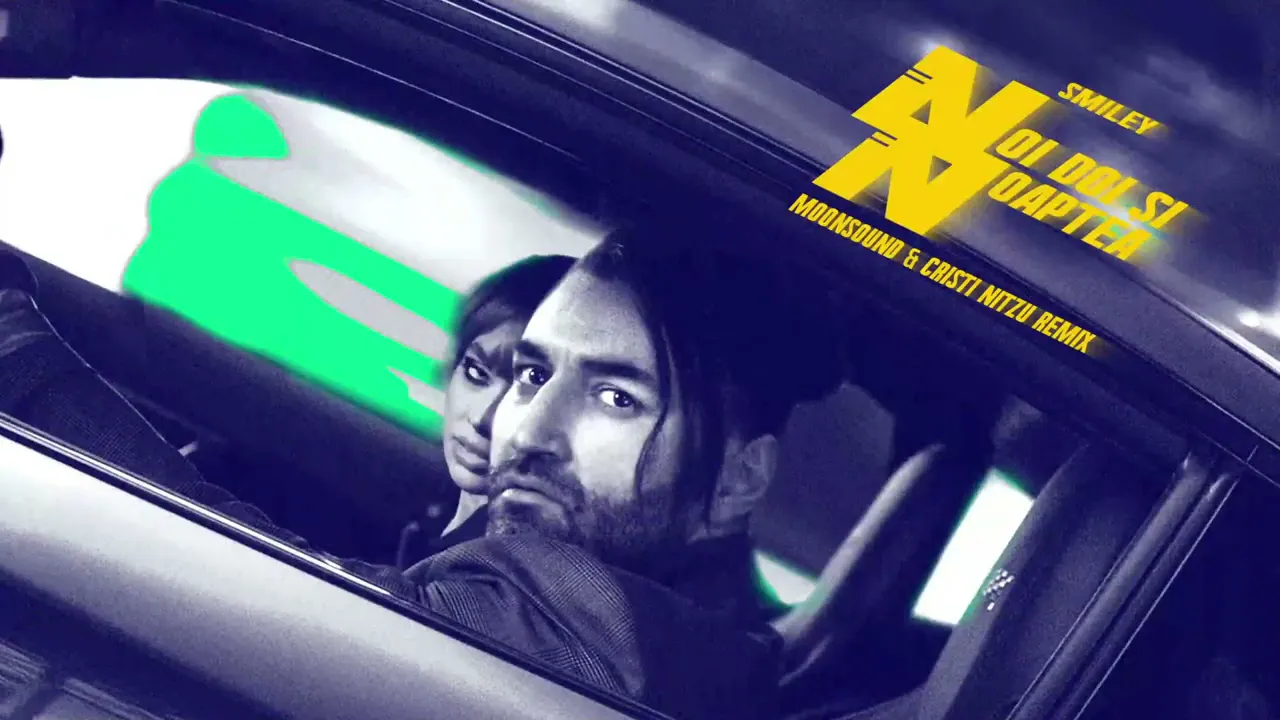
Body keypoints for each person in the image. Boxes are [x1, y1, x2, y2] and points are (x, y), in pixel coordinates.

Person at [0, 225, 845, 720]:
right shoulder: (687, 641)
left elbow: (269, 599)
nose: (526, 429)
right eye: (532, 374)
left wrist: (16, 347)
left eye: (617, 397)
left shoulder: (599, 634)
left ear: (737, 483)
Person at [397, 254, 575, 566]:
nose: (484, 419)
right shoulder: (436, 518)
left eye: (531, 386)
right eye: (476, 373)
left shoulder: (505, 568)